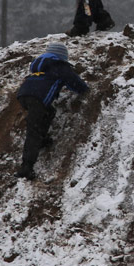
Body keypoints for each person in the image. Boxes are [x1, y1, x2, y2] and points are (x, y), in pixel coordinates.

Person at [14, 42, 88, 181]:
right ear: (62, 56)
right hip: (37, 98)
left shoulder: (40, 65)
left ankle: (42, 139)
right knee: (33, 131)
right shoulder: (59, 66)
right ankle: (26, 168)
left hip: (24, 95)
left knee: (49, 112)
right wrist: (84, 90)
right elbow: (73, 81)